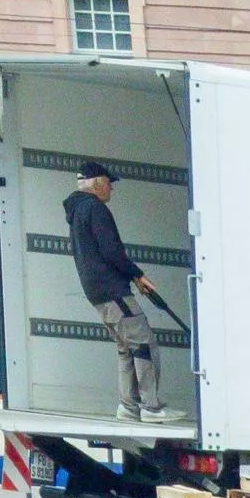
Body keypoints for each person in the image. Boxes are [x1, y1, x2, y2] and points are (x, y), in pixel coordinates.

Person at [61, 165, 174, 417]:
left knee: (126, 348)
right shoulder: (96, 209)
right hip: (113, 290)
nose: (111, 187)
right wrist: (137, 274)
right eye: (109, 183)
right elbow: (112, 251)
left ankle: (128, 406)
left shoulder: (77, 211)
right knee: (144, 343)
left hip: (97, 293)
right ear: (98, 183)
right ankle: (150, 406)